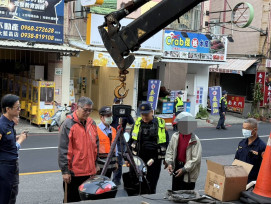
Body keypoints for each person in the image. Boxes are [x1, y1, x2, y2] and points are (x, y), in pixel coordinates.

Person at [58, 97, 99, 203]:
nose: (88, 113)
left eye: (90, 110)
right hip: (74, 173)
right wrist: (65, 171)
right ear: (77, 108)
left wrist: (96, 163)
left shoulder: (92, 123)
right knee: (72, 200)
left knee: (87, 199)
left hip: (89, 172)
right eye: (85, 110)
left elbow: (96, 146)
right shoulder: (68, 124)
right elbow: (63, 149)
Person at [129, 102, 169, 194]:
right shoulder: (137, 123)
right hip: (138, 159)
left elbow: (166, 142)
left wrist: (166, 158)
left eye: (146, 114)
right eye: (142, 114)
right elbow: (131, 140)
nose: (144, 117)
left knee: (151, 185)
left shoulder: (159, 124)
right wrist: (128, 158)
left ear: (152, 112)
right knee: (136, 185)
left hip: (154, 160)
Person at [0, 94, 27, 204]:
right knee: (7, 196)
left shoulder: (9, 124)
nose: (20, 109)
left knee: (11, 194)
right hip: (6, 167)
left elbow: (6, 142)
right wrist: (20, 140)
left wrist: (13, 138)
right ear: (8, 109)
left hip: (10, 166)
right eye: (17, 107)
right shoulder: (2, 125)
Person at [165, 112, 202, 191]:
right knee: (175, 192)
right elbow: (170, 151)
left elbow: (196, 159)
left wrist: (184, 169)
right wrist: (170, 163)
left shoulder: (195, 140)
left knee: (186, 195)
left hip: (188, 171)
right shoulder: (175, 136)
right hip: (177, 167)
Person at [234, 118, 266, 183]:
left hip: (252, 181)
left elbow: (264, 167)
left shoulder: (262, 146)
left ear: (255, 130)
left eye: (247, 129)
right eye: (243, 128)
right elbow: (236, 159)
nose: (244, 130)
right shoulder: (242, 143)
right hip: (239, 177)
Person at [111, 98, 134, 185]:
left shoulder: (124, 113)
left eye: (119, 103)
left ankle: (117, 180)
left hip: (121, 138)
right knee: (111, 159)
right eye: (116, 103)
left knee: (119, 159)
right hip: (112, 138)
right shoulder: (112, 112)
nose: (118, 104)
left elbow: (131, 122)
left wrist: (127, 114)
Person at [97, 106, 118, 179]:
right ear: (101, 117)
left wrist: (116, 162)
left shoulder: (113, 130)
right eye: (107, 116)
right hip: (100, 166)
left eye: (111, 115)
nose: (110, 118)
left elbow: (116, 148)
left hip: (111, 164)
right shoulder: (96, 130)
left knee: (107, 185)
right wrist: (95, 165)